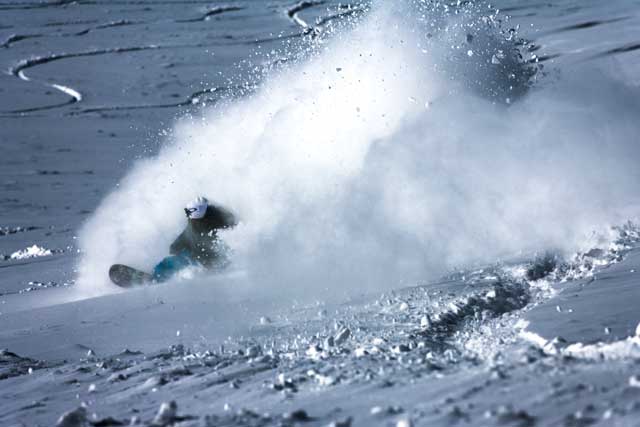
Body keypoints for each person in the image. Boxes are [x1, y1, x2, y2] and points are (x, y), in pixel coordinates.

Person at [152, 196, 238, 282]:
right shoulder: (197, 220)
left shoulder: (214, 222)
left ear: (197, 211)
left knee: (177, 262)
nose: (187, 215)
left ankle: (158, 278)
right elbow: (187, 233)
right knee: (172, 261)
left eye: (188, 212)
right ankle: (157, 276)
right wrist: (175, 246)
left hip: (207, 260)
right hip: (200, 256)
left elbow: (228, 242)